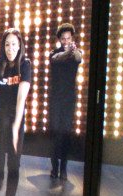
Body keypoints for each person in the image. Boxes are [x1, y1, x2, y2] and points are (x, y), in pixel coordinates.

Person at [0, 29, 32, 196]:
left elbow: (22, 98)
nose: (11, 48)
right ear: (3, 46)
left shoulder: (25, 65)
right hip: (2, 113)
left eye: (14, 44)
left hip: (17, 115)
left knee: (14, 165)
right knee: (0, 123)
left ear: (20, 45)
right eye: (7, 44)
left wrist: (17, 126)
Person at [48, 23, 82, 181]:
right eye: (63, 39)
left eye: (68, 38)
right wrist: (67, 51)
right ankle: (54, 168)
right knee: (55, 133)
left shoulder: (76, 53)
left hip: (68, 100)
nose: (66, 41)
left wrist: (72, 52)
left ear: (72, 38)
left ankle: (63, 169)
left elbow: (78, 57)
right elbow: (57, 59)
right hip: (55, 99)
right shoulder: (54, 53)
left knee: (66, 134)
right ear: (59, 39)